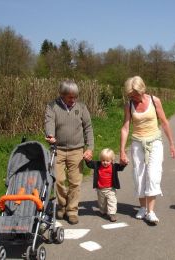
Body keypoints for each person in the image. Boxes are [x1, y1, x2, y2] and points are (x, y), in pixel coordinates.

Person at [120, 76, 175, 225]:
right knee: (139, 176)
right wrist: (121, 151)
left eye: (134, 95)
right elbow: (125, 128)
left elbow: (164, 122)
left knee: (153, 175)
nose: (133, 97)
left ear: (142, 90)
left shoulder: (154, 101)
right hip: (138, 143)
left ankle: (151, 212)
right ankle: (142, 208)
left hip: (155, 142)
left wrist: (171, 144)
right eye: (130, 95)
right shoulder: (129, 105)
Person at [45, 80, 94, 225]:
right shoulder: (52, 106)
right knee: (58, 181)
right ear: (62, 94)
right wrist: (50, 135)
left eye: (75, 96)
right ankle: (61, 205)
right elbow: (49, 122)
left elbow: (88, 128)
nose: (73, 100)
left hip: (77, 150)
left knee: (75, 182)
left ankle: (72, 210)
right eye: (70, 97)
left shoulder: (82, 107)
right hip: (58, 149)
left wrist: (89, 148)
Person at [85, 148, 126, 222]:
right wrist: (87, 160)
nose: (105, 162)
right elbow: (90, 165)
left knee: (112, 201)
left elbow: (121, 167)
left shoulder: (114, 166)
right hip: (100, 189)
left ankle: (112, 213)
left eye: (107, 161)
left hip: (111, 189)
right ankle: (103, 211)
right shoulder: (97, 165)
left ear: (112, 160)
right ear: (100, 159)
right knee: (102, 203)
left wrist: (124, 163)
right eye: (103, 160)